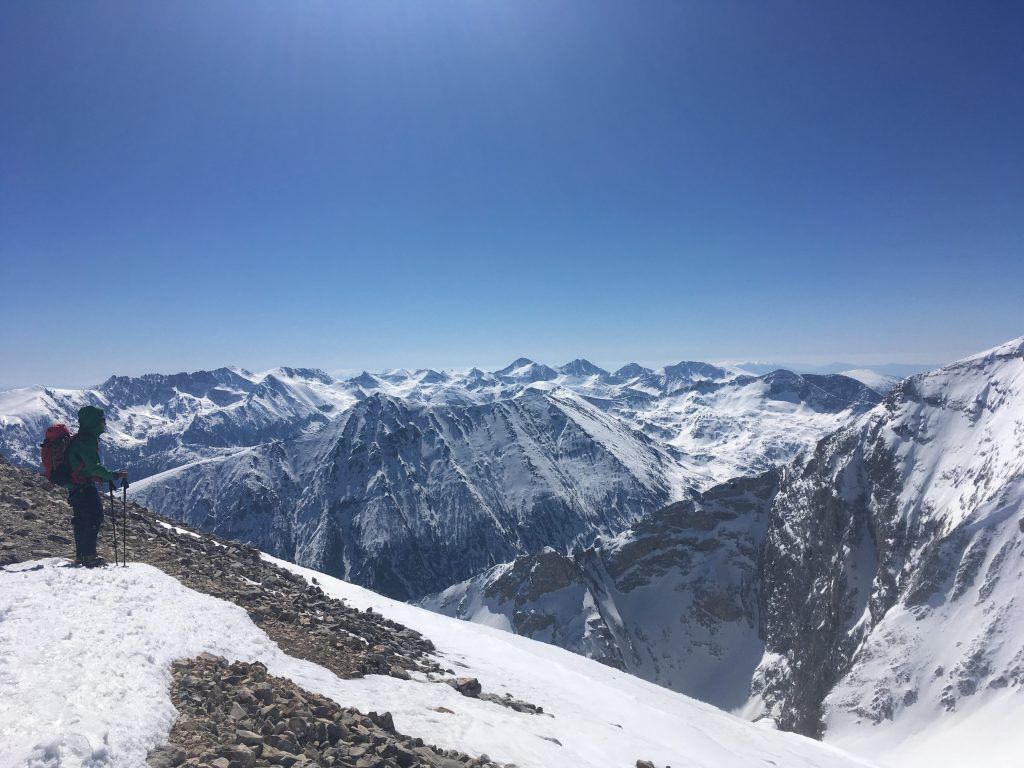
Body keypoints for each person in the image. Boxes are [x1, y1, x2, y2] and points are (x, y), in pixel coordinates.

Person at [64, 405, 127, 567]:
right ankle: (89, 556)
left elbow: (84, 465)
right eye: (101, 421)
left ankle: (81, 556)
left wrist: (95, 475)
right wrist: (112, 475)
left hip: (75, 485)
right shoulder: (87, 441)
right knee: (94, 516)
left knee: (81, 519)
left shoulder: (81, 438)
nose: (104, 424)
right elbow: (93, 467)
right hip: (84, 486)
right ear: (93, 422)